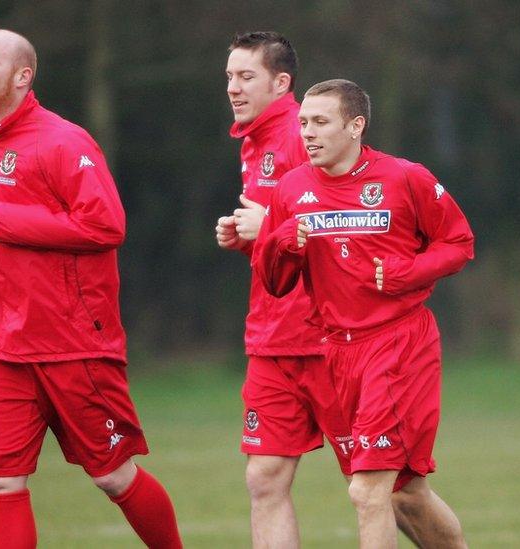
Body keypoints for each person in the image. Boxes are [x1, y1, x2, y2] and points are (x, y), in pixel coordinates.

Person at [0, 29, 181, 548]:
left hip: (70, 343)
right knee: (0, 480)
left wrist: (10, 222)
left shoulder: (62, 140)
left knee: (112, 476)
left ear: (22, 77)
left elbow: (107, 226)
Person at [254, 79, 472, 549]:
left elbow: (458, 243)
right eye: (303, 123)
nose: (307, 133)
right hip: (335, 354)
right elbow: (273, 281)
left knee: (367, 490)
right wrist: (283, 244)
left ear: (355, 126)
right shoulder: (291, 188)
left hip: (398, 346)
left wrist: (405, 272)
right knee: (405, 493)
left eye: (320, 122)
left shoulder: (404, 177)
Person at [214, 31, 358, 547]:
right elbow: (289, 233)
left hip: (327, 339)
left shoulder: (306, 133)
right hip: (273, 340)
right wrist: (249, 239)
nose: (233, 87)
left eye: (246, 76)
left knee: (387, 489)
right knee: (264, 478)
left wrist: (268, 226)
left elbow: (355, 220)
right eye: (229, 76)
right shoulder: (254, 143)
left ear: (281, 82)